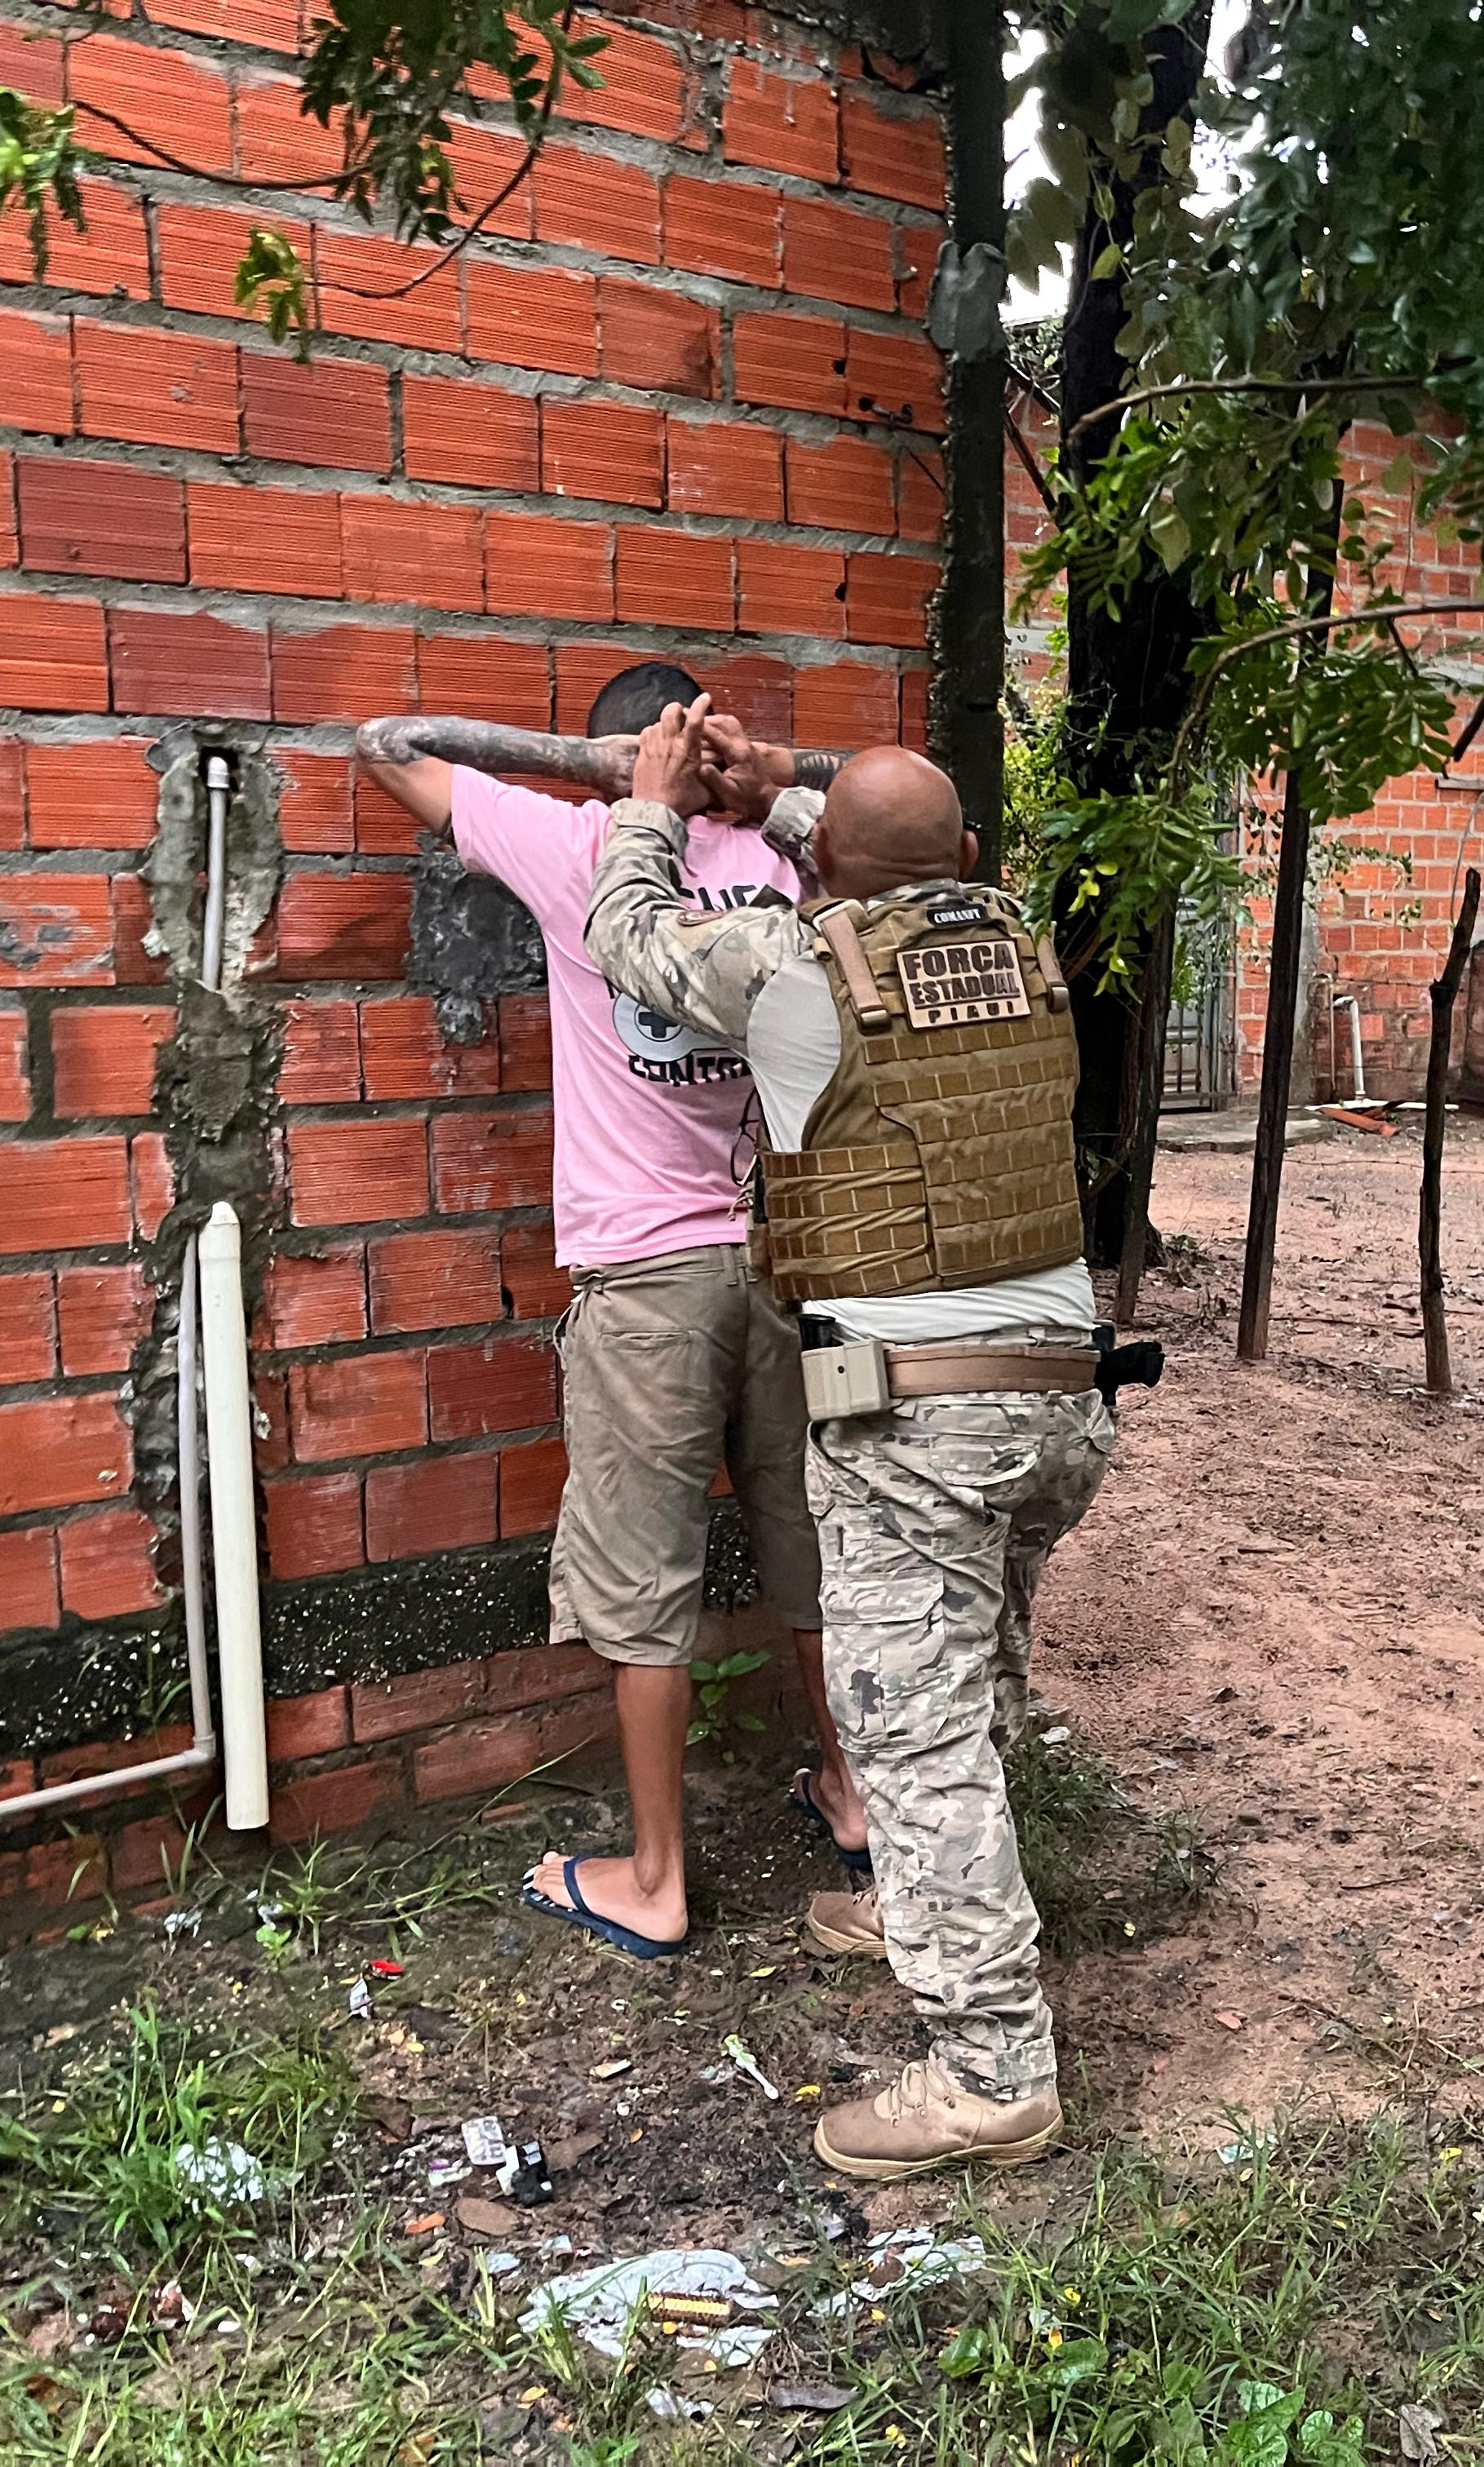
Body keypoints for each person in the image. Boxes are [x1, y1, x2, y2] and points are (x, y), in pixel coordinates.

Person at [583, 706, 1114, 2179]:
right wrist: (794, 792)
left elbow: (630, 939)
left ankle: (993, 2071)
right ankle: (937, 1909)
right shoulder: (1025, 941)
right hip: (1062, 1400)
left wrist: (651, 806)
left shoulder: (787, 966)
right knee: (981, 1668)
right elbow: (901, 855)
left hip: (918, 1414)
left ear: (831, 870)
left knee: (913, 1735)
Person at [352, 670, 858, 1959]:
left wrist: (593, 778)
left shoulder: (577, 841)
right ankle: (852, 1798)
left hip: (645, 1282)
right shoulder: (793, 849)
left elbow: (385, 746)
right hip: (789, 1262)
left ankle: (654, 1879)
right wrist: (778, 774)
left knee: (645, 1583)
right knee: (812, 1547)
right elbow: (924, 832)